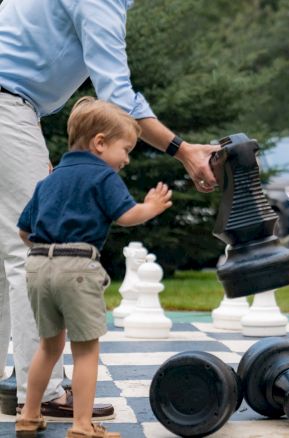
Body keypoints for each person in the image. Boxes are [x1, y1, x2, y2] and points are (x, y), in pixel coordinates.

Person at [0, 0, 220, 421]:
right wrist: (184, 151)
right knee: (30, 252)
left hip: (13, 108)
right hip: (9, 108)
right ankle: (41, 393)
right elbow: (117, 98)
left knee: (1, 254)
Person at [15, 97, 173, 438]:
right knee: (85, 350)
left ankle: (28, 415)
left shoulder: (50, 179)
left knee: (48, 346)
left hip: (38, 265)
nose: (127, 159)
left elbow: (23, 230)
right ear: (99, 143)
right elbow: (126, 216)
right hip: (77, 266)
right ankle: (83, 424)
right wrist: (151, 207)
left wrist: (48, 252)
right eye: (125, 149)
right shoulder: (103, 176)